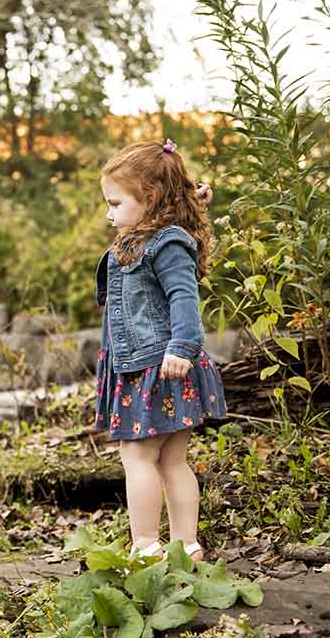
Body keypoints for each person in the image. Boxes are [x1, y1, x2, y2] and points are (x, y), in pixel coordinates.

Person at [91, 138, 228, 564]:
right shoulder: (149, 234)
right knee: (170, 459)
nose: (109, 213)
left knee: (138, 457)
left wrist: (182, 347)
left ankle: (148, 546)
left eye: (115, 203)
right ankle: (186, 546)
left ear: (148, 199)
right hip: (146, 365)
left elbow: (184, 298)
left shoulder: (165, 243)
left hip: (159, 366)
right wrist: (191, 199)